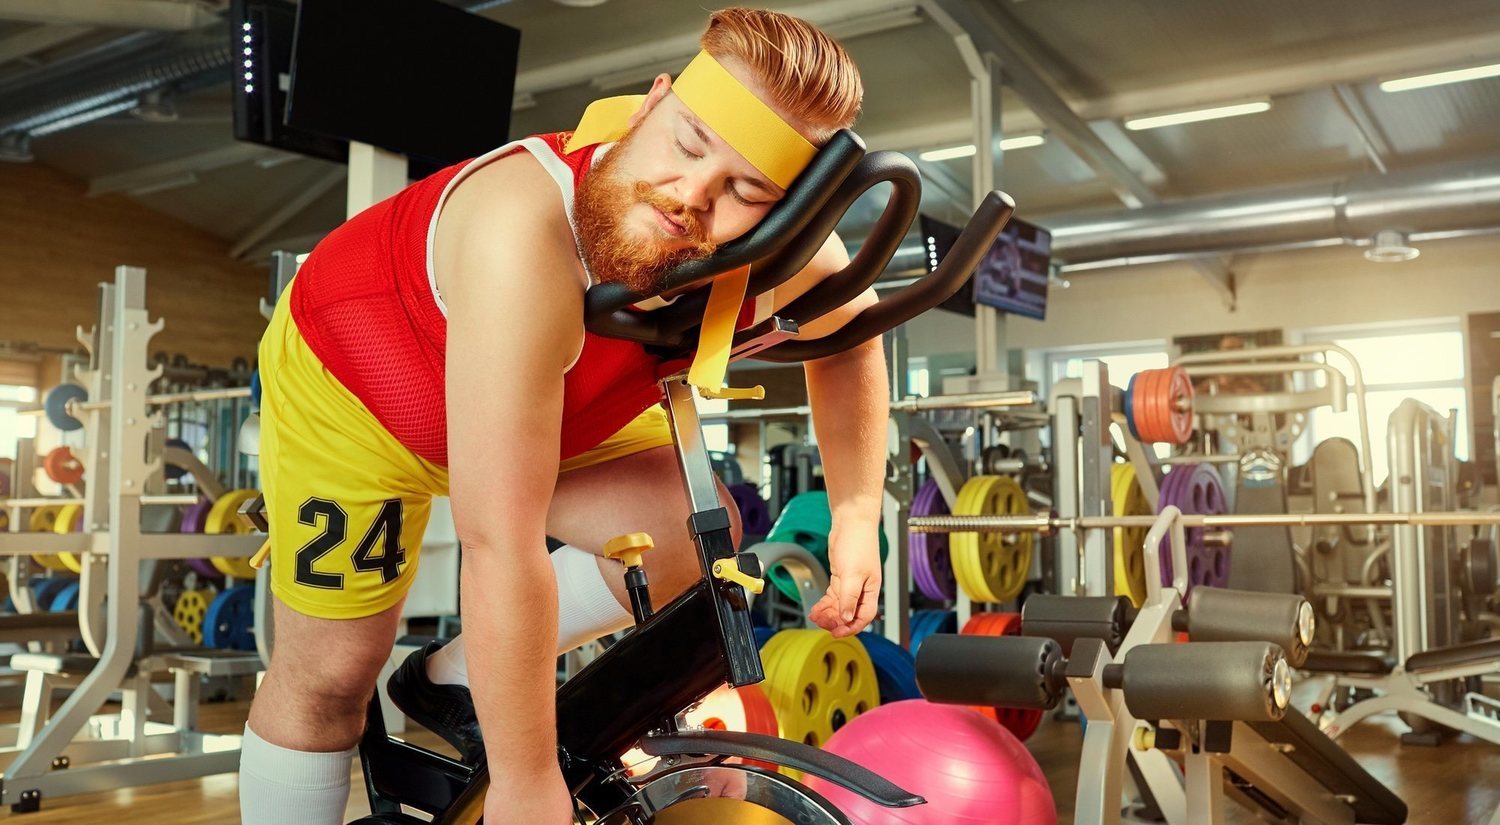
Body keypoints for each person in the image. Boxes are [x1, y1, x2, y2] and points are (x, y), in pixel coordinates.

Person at [238, 9, 889, 825]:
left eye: (747, 190)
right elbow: (499, 543)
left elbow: (852, 337)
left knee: (690, 535)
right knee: (332, 676)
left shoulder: (773, 247)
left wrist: (858, 511)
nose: (692, 196)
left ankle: (460, 677)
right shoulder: (523, 229)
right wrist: (525, 781)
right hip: (361, 384)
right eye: (688, 146)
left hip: (561, 393)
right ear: (651, 104)